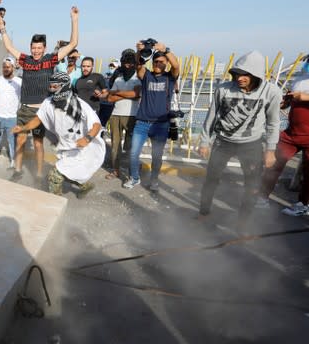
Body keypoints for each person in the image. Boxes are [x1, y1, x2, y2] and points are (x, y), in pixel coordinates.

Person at [0, 6, 80, 182]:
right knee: (20, 140)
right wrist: (3, 28)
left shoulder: (50, 59)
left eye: (39, 48)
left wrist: (74, 20)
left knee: (38, 144)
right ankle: (18, 170)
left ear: (44, 48)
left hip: (41, 111)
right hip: (25, 109)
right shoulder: (25, 60)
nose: (35, 51)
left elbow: (73, 44)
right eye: (33, 47)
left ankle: (40, 174)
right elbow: (9, 46)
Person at [197, 51, 281, 225]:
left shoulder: (271, 92)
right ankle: (204, 213)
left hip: (251, 144)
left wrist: (271, 150)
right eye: (237, 73)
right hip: (223, 141)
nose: (239, 78)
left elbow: (273, 123)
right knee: (211, 179)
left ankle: (243, 224)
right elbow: (211, 116)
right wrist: (205, 141)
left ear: (256, 74)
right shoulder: (223, 89)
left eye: (245, 74)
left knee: (252, 186)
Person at [12, 72, 104, 197]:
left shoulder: (79, 105)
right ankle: (86, 186)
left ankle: (55, 202)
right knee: (70, 172)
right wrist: (23, 128)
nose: (52, 89)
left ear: (64, 86)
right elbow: (38, 119)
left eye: (55, 86)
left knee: (54, 176)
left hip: (83, 149)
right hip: (66, 147)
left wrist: (86, 139)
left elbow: (96, 125)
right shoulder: (48, 102)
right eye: (51, 86)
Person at [123, 42, 180, 192]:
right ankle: (134, 178)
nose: (158, 64)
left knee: (157, 157)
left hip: (161, 125)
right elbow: (138, 65)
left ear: (166, 63)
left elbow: (176, 66)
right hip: (142, 123)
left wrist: (165, 50)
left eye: (161, 62)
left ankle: (154, 181)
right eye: (156, 61)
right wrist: (139, 51)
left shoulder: (170, 77)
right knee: (134, 153)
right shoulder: (147, 76)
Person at [259, 75, 309, 216]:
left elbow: (301, 97)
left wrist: (304, 97)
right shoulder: (299, 79)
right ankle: (262, 198)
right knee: (274, 164)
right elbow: (288, 101)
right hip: (291, 133)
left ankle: (303, 204)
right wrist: (283, 103)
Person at [101, 49, 140, 179]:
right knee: (115, 145)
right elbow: (110, 98)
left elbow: (136, 95)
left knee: (130, 147)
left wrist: (118, 93)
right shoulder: (118, 79)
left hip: (132, 115)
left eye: (130, 63)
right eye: (125, 63)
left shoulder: (138, 77)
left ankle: (131, 172)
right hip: (116, 115)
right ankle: (116, 170)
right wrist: (125, 94)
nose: (128, 65)